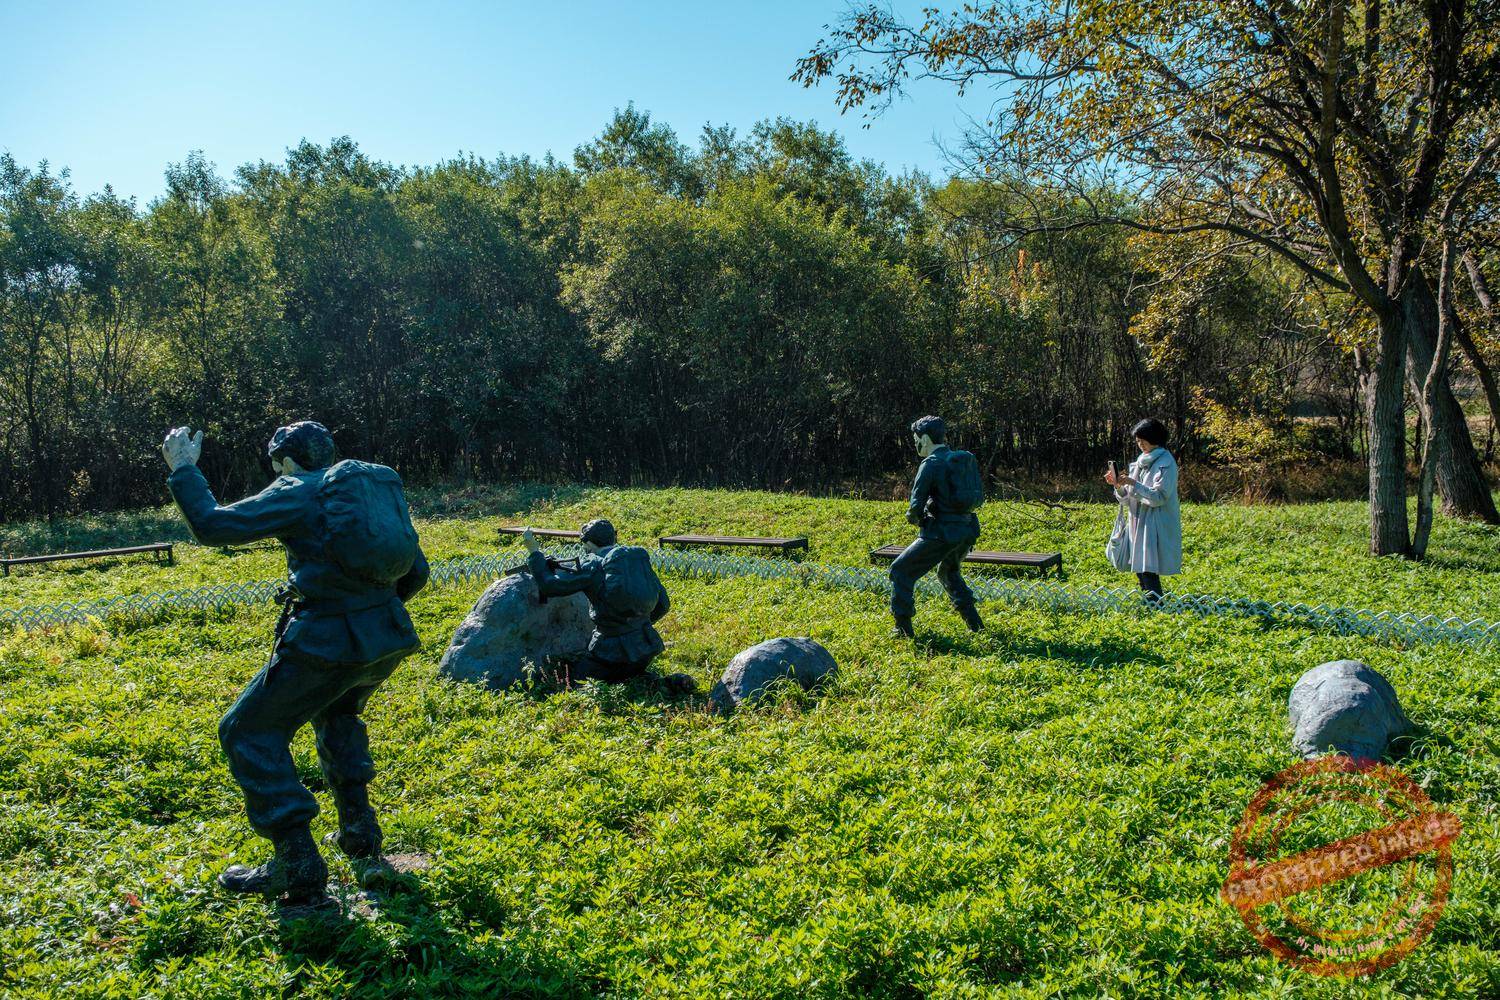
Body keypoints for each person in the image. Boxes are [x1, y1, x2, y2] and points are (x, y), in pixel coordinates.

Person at [163, 421, 429, 906]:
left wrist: (183, 469)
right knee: (339, 714)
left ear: (285, 461)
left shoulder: (295, 489)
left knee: (247, 732)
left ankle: (297, 862)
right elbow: (418, 570)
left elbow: (214, 526)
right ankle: (360, 834)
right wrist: (372, 610)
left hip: (325, 641)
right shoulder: (366, 490)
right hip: (387, 634)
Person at [521, 520, 692, 692]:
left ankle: (651, 684)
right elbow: (663, 604)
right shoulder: (634, 560)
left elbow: (550, 585)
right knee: (629, 677)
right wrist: (634, 624)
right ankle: (668, 683)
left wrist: (534, 553)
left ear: (588, 543)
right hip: (645, 644)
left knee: (577, 682)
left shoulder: (592, 564)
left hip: (609, 651)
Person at [889, 415, 985, 639]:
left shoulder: (930, 464)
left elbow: (915, 507)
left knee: (900, 570)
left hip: (941, 532)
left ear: (924, 439)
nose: (915, 444)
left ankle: (902, 629)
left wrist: (918, 520)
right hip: (967, 530)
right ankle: (976, 626)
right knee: (948, 573)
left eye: (916, 440)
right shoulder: (961, 460)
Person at [1104, 417, 1182, 600]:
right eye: (1138, 441)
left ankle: (1155, 604)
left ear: (1154, 438)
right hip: (1137, 520)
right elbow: (1127, 498)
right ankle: (1150, 603)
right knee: (1139, 565)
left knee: (1148, 567)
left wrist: (1133, 483)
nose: (1140, 445)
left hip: (1155, 521)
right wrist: (1118, 485)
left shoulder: (1166, 463)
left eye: (1143, 440)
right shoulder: (1140, 462)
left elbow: (1159, 497)